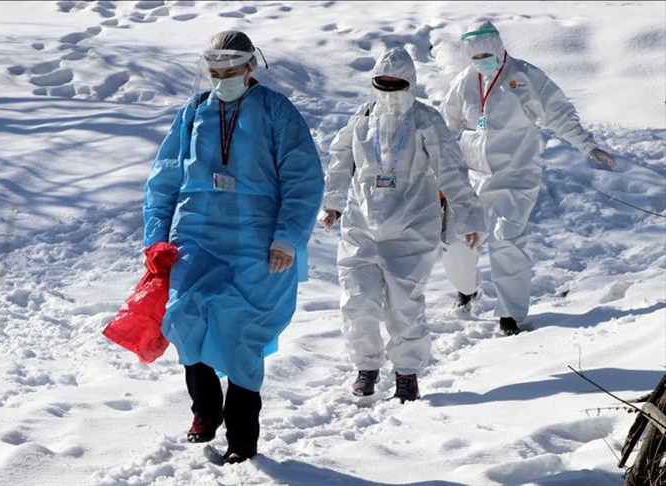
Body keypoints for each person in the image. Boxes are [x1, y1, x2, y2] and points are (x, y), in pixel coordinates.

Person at [143, 30, 324, 464]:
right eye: (215, 72)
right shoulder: (195, 111)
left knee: (242, 330)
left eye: (230, 71)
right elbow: (165, 177)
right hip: (195, 231)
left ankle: (242, 434)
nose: (222, 79)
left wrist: (288, 237)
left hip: (255, 238)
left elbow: (302, 178)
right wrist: (156, 238)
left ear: (251, 66)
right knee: (185, 317)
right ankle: (205, 410)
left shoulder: (276, 110)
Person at [317, 47, 485, 401]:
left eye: (398, 84)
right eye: (384, 83)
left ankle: (407, 373)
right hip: (362, 226)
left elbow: (452, 171)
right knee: (357, 300)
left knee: (404, 305)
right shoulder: (362, 118)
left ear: (411, 84)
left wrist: (468, 216)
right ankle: (366, 367)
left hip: (412, 226)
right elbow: (340, 159)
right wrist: (332, 203)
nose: (390, 91)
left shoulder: (426, 121)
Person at [441, 20, 617, 335]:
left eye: (486, 54)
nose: (481, 60)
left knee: (506, 241)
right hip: (475, 180)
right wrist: (433, 168)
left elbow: (557, 111)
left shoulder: (523, 76)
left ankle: (510, 314)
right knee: (459, 241)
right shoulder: (464, 82)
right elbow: (445, 129)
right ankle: (467, 289)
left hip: (516, 177)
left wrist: (587, 145)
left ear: (497, 48)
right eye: (475, 56)